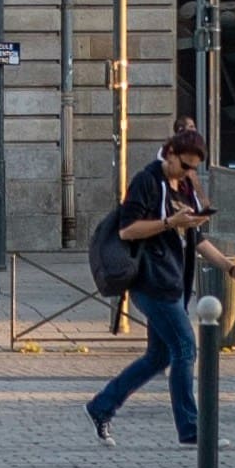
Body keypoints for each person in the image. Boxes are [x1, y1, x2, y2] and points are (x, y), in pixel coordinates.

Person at [88, 129, 215, 445]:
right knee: (186, 348)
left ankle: (101, 405)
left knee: (159, 358)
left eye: (193, 168)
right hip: (151, 281)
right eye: (184, 165)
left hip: (174, 282)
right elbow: (127, 230)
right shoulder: (147, 181)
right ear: (169, 152)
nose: (188, 173)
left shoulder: (184, 187)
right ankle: (191, 430)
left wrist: (231, 268)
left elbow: (197, 239)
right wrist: (171, 223)